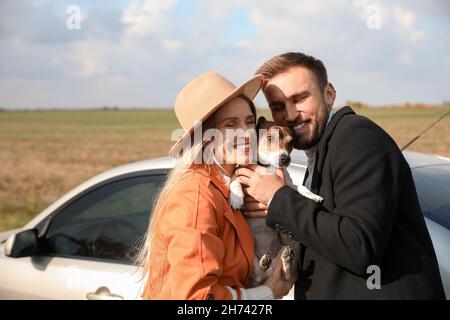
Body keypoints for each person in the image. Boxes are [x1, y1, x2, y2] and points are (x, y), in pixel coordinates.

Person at [236, 52, 446, 299]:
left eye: (300, 98)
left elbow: (358, 245)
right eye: (278, 107)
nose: (290, 115)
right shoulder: (320, 149)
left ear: (329, 94)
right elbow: (324, 232)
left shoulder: (358, 136)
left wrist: (277, 197)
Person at [137, 71, 296, 300]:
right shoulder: (196, 195)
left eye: (249, 122)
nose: (246, 134)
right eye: (230, 125)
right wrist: (266, 294)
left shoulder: (233, 187)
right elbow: (197, 299)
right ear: (207, 137)